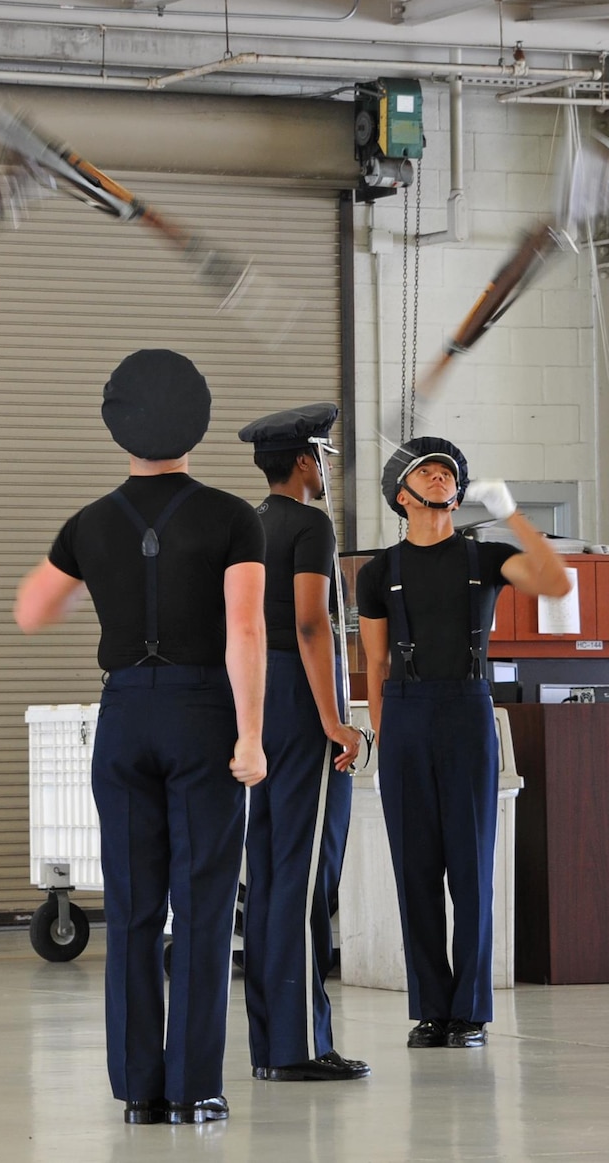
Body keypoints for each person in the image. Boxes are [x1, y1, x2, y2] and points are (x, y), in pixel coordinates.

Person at [14, 349, 268, 1126]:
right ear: (195, 420)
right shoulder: (232, 516)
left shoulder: (89, 522)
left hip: (122, 717)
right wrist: (251, 736)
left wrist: (103, 584)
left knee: (130, 906)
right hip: (201, 714)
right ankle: (196, 1087)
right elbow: (246, 627)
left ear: (118, 424)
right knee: (200, 904)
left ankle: (139, 1090)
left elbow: (31, 609)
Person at [356, 438, 571, 1050]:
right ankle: (431, 1008)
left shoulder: (487, 555)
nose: (441, 476)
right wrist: (383, 733)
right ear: (403, 494)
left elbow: (556, 583)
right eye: (427, 470)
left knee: (471, 866)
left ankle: (470, 1012)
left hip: (467, 709)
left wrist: (513, 514)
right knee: (415, 868)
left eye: (448, 470)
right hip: (404, 713)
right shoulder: (379, 571)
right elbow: (374, 662)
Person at [233, 403, 368, 1085]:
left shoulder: (248, 525)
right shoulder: (309, 525)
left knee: (270, 874)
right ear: (306, 461)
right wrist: (335, 721)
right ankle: (301, 1045)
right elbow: (313, 624)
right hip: (299, 698)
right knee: (306, 876)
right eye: (324, 456)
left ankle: (271, 1042)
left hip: (256, 698)